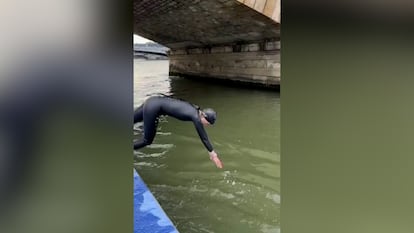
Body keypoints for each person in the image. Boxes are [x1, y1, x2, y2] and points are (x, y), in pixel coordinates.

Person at [134, 95, 223, 168]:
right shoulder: (195, 116)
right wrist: (213, 154)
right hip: (153, 108)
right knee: (147, 140)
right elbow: (204, 138)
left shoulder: (195, 109)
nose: (206, 125)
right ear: (204, 116)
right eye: (207, 123)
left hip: (152, 101)